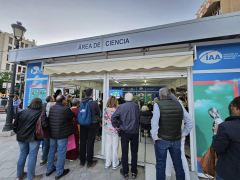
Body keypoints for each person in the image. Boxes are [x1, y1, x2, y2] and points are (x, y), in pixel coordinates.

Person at [151, 87, 194, 180]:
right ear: (170, 95)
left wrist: (154, 136)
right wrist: (183, 134)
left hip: (162, 140)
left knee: (161, 165)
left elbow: (155, 123)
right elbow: (190, 121)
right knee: (178, 164)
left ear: (160, 96)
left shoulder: (158, 105)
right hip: (176, 139)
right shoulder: (179, 104)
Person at [13, 98, 48, 180]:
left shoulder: (22, 111)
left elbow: (15, 126)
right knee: (32, 155)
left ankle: (19, 175)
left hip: (21, 137)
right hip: (34, 137)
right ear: (40, 104)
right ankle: (31, 176)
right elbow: (44, 125)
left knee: (22, 154)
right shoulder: (41, 113)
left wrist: (19, 133)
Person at [165, 93, 194, 180]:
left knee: (180, 156)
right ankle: (169, 174)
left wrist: (183, 133)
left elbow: (190, 121)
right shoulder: (174, 106)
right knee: (169, 155)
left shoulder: (179, 106)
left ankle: (186, 177)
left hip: (177, 136)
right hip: (170, 135)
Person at [46, 95, 75, 179]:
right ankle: (59, 172)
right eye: (65, 99)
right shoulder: (66, 109)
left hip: (52, 133)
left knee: (52, 151)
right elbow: (72, 115)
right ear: (63, 101)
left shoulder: (52, 108)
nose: (66, 100)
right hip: (62, 133)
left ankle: (49, 169)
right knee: (62, 152)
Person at [111, 93, 140, 180]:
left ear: (125, 98)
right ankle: (134, 172)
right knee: (134, 152)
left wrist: (117, 125)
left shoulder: (121, 107)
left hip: (124, 132)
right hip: (135, 132)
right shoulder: (136, 106)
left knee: (124, 152)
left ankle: (125, 172)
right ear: (132, 98)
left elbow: (113, 118)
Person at [212, 96, 240, 180]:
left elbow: (218, 147)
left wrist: (217, 134)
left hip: (229, 171)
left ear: (235, 108)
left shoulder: (226, 126)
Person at [79, 88, 101, 168]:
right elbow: (98, 113)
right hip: (92, 124)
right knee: (90, 142)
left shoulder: (81, 101)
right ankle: (89, 161)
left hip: (82, 124)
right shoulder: (93, 103)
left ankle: (82, 160)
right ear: (92, 94)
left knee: (82, 142)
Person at [104, 96, 122, 170]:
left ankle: (107, 163)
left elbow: (105, 119)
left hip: (107, 129)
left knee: (108, 146)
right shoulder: (117, 110)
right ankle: (115, 164)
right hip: (114, 130)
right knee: (115, 147)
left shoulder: (106, 109)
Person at [40, 96, 56, 166]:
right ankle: (49, 159)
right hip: (50, 127)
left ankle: (44, 158)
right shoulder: (52, 106)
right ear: (51, 100)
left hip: (44, 128)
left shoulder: (43, 107)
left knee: (46, 143)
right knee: (52, 144)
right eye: (53, 98)